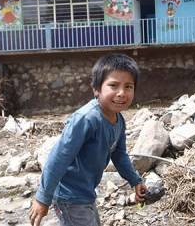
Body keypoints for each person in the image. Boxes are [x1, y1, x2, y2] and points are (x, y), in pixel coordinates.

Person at [29, 54, 147, 226]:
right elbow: (58, 158)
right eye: (113, 85)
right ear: (96, 89)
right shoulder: (86, 119)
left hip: (86, 192)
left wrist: (135, 180)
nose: (122, 93)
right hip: (68, 195)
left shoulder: (119, 120)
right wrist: (42, 198)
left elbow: (120, 155)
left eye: (128, 86)